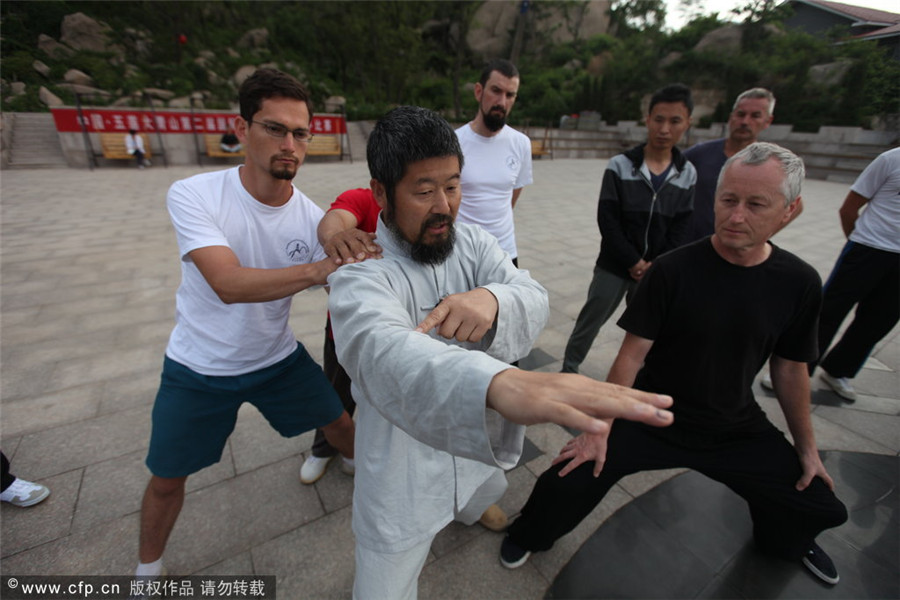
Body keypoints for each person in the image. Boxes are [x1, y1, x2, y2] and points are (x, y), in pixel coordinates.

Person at [327, 105, 675, 600]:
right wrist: (498, 383)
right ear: (380, 191)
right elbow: (380, 348)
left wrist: (492, 299)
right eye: (424, 191)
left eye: (452, 185)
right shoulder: (361, 271)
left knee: (483, 485)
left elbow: (531, 294)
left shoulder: (469, 241)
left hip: (471, 442)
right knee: (384, 582)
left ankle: (469, 506)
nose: (444, 205)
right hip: (400, 463)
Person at [501, 142, 848, 586]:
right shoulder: (673, 270)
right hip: (652, 412)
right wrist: (598, 429)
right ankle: (530, 532)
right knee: (567, 477)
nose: (736, 215)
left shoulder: (799, 282)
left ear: (790, 210)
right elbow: (632, 355)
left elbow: (790, 368)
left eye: (755, 204)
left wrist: (807, 448)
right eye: (728, 200)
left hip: (734, 425)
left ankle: (785, 542)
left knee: (819, 502)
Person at [133, 68, 355, 580]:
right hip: (198, 365)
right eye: (275, 128)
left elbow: (349, 275)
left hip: (276, 358)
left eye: (300, 133)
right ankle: (148, 571)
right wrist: (321, 268)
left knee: (342, 424)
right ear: (242, 127)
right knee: (167, 478)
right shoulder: (195, 194)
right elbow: (227, 284)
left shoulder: (310, 217)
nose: (290, 144)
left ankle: (368, 478)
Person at [561, 83, 697, 374]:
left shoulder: (687, 173)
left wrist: (655, 265)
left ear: (688, 123)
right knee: (591, 319)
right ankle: (569, 369)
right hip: (614, 264)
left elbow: (681, 226)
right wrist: (633, 261)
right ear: (647, 119)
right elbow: (607, 220)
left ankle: (640, 377)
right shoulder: (620, 165)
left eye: (675, 121)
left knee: (648, 330)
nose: (664, 128)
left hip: (655, 272)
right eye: (658, 119)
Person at [299, 187, 381, 484]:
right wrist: (334, 238)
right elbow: (335, 220)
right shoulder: (364, 199)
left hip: (402, 334)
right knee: (335, 393)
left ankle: (373, 453)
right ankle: (324, 449)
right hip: (346, 331)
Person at [811, 147, 900, 401]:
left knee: (878, 321)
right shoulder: (890, 160)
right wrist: (859, 241)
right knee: (829, 310)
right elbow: (848, 208)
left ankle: (839, 369)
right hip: (868, 248)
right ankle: (798, 366)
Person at [455, 59, 533, 266]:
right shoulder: (454, 142)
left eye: (510, 95)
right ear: (479, 91)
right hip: (461, 254)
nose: (502, 102)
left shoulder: (521, 144)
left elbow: (510, 199)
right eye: (496, 91)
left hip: (505, 253)